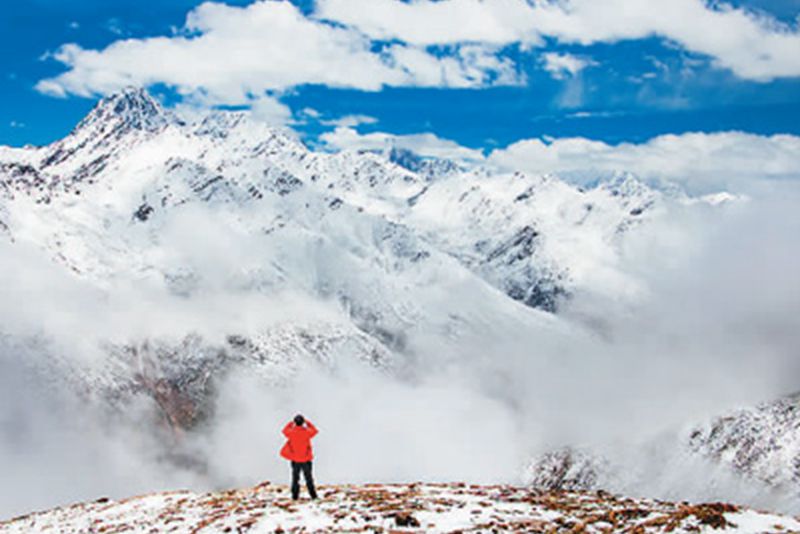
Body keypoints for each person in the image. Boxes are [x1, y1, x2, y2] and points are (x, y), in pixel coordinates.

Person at [280, 414, 318, 500]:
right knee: (309, 478)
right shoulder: (307, 433)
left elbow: (284, 430)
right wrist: (307, 422)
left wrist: (291, 423)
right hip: (306, 459)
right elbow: (315, 430)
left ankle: (295, 496)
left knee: (295, 478)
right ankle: (313, 496)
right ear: (302, 422)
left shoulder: (291, 433)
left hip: (295, 459)